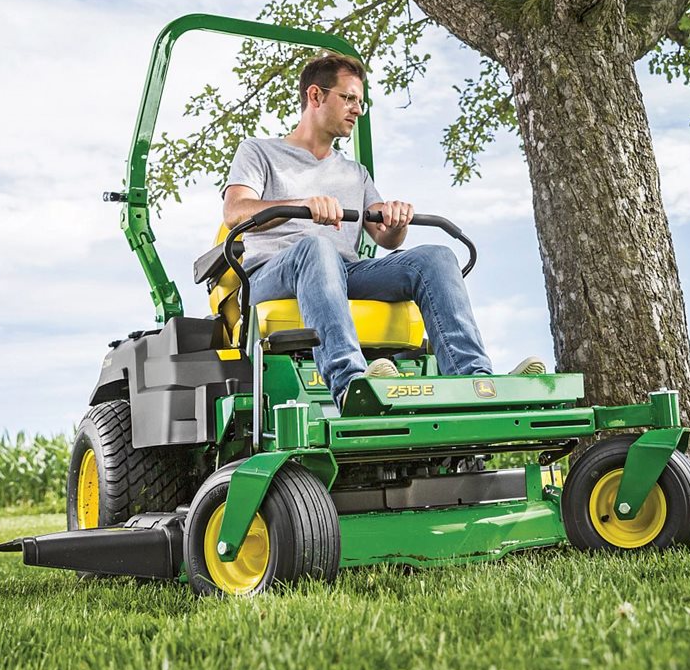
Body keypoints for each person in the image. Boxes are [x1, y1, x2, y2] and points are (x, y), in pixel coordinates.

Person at [222, 52, 543, 409]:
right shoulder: (260, 152)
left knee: (436, 257)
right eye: (348, 98)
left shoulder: (354, 173)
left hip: (343, 272)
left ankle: (474, 380)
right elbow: (236, 211)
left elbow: (386, 239)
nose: (357, 109)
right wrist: (302, 206)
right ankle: (352, 386)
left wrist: (395, 219)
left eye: (360, 101)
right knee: (316, 248)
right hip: (274, 273)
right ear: (315, 96)